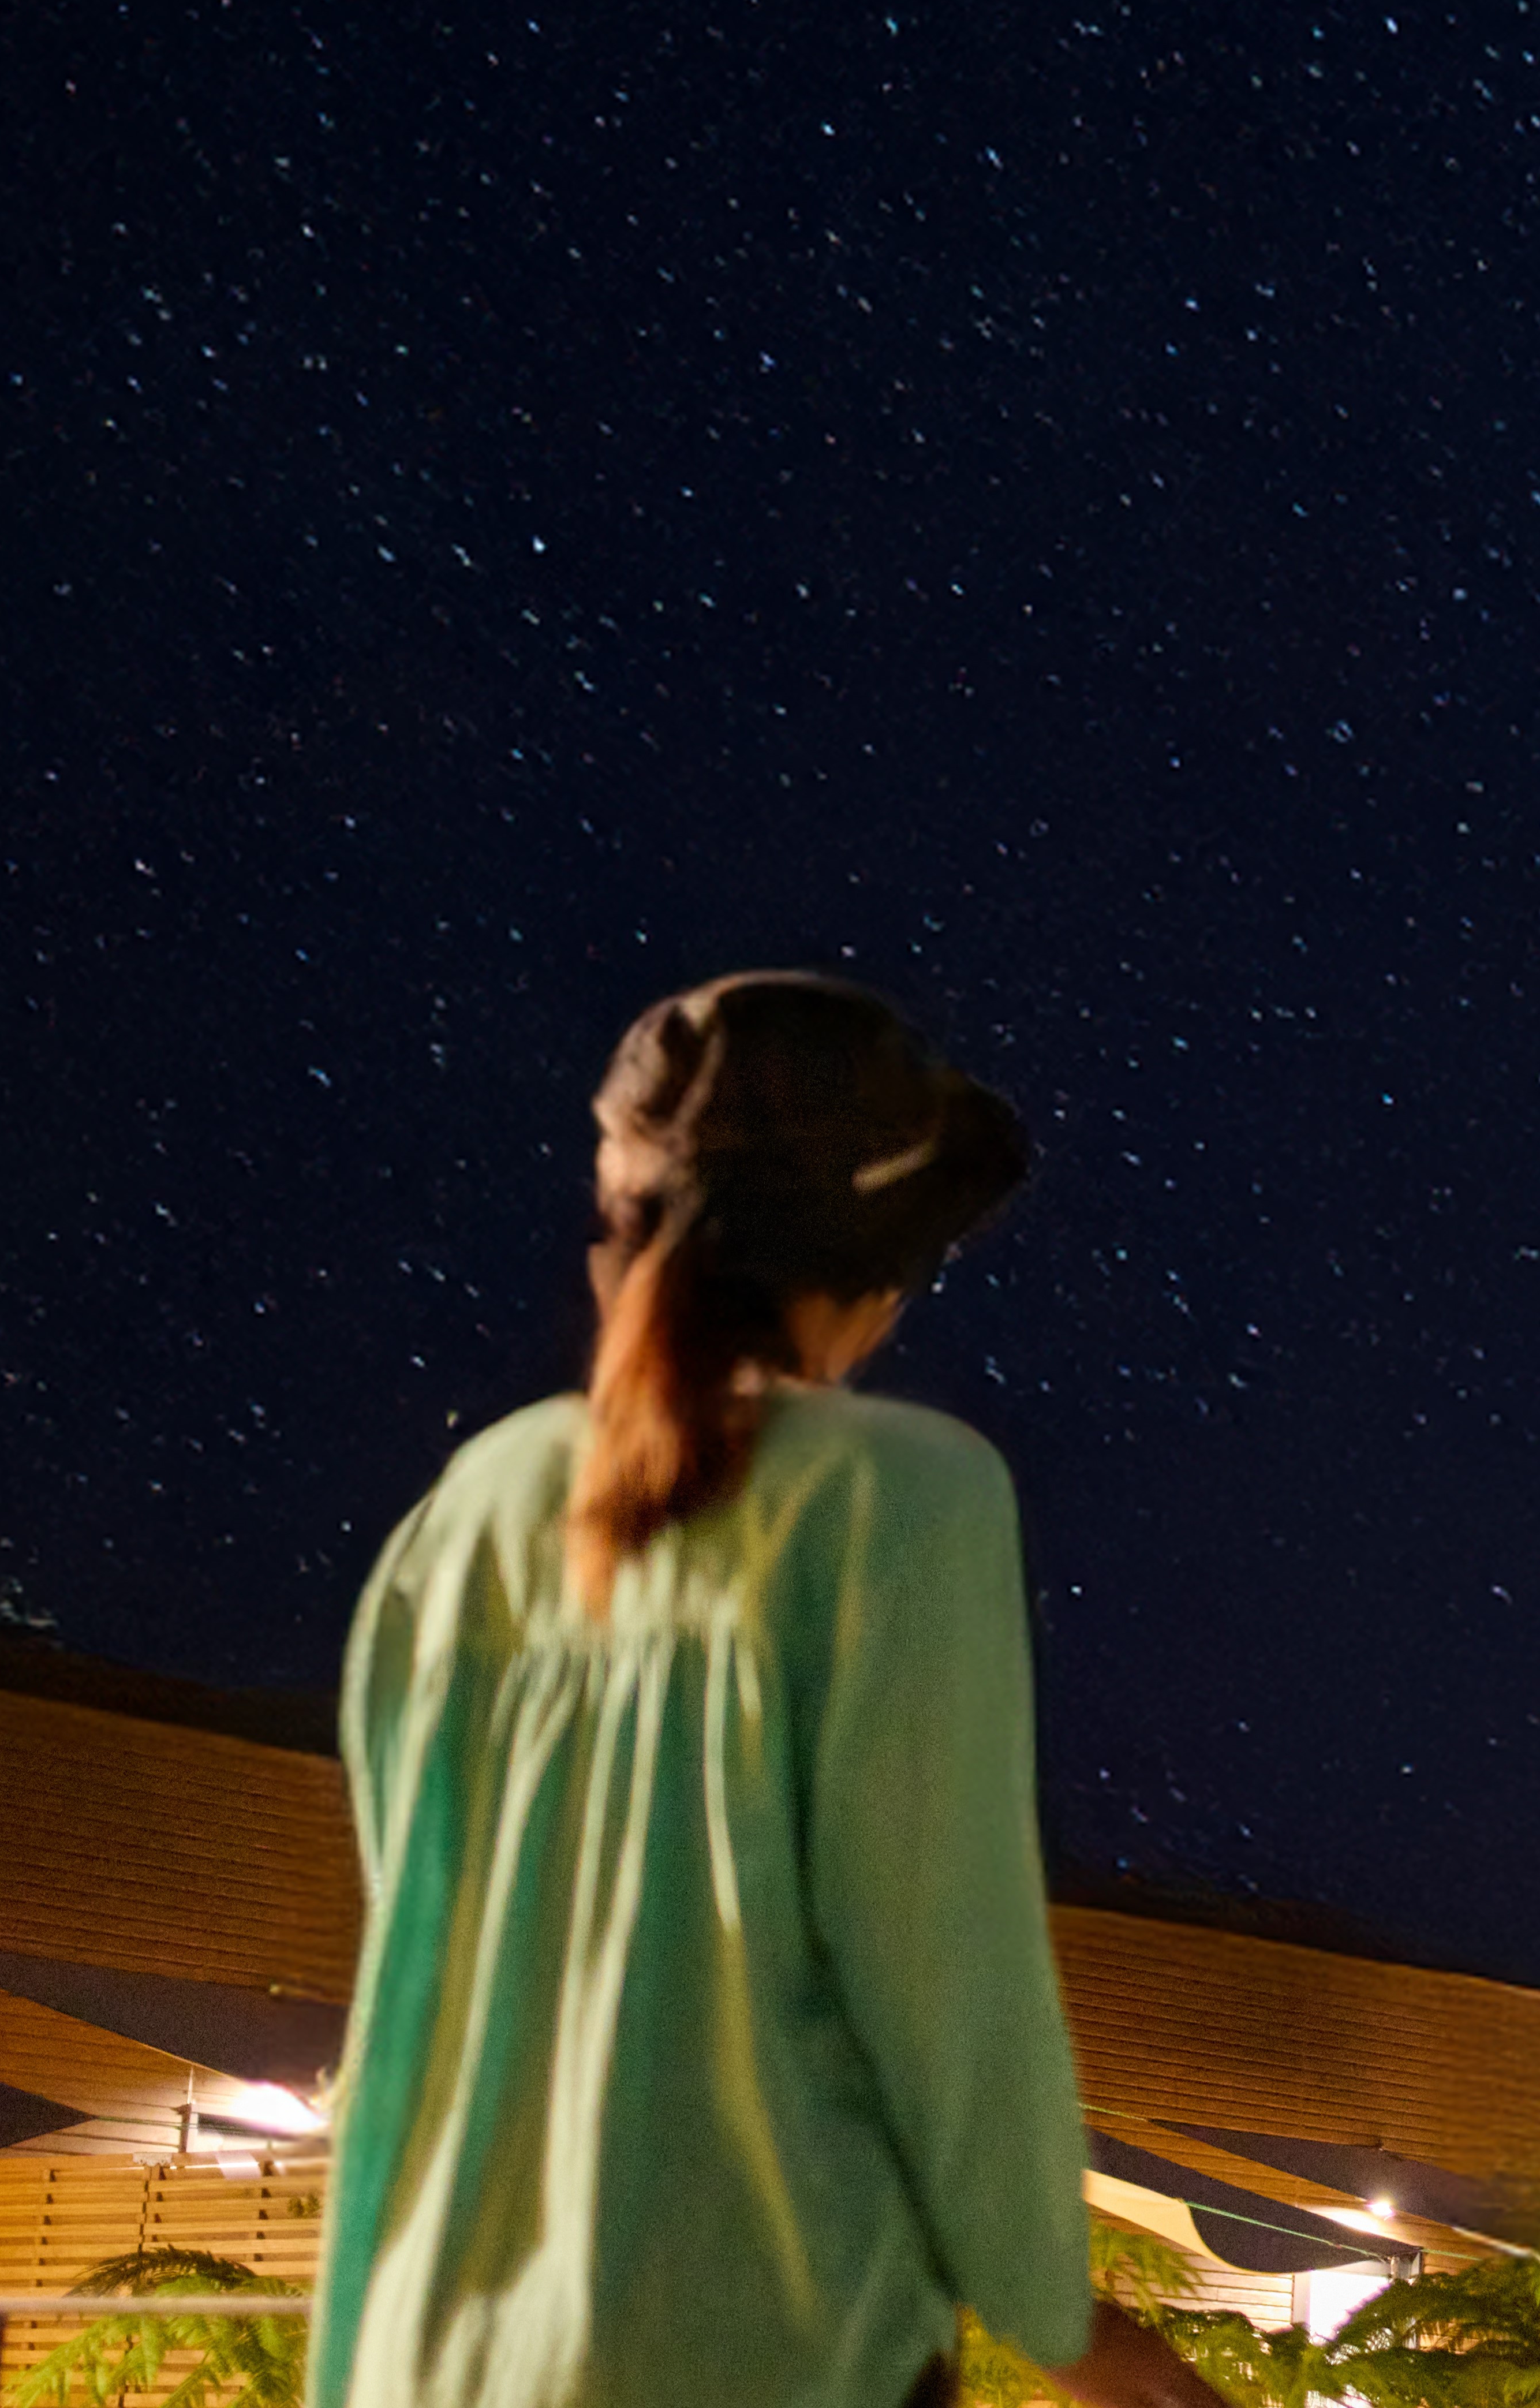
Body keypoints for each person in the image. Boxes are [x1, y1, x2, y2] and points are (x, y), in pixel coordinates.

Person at [314, 972, 1230, 2408]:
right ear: (868, 1279)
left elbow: (420, 1955)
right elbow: (946, 1984)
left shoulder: (477, 1505)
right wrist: (1060, 2320)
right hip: (764, 2352)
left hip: (432, 2356)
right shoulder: (901, 1499)